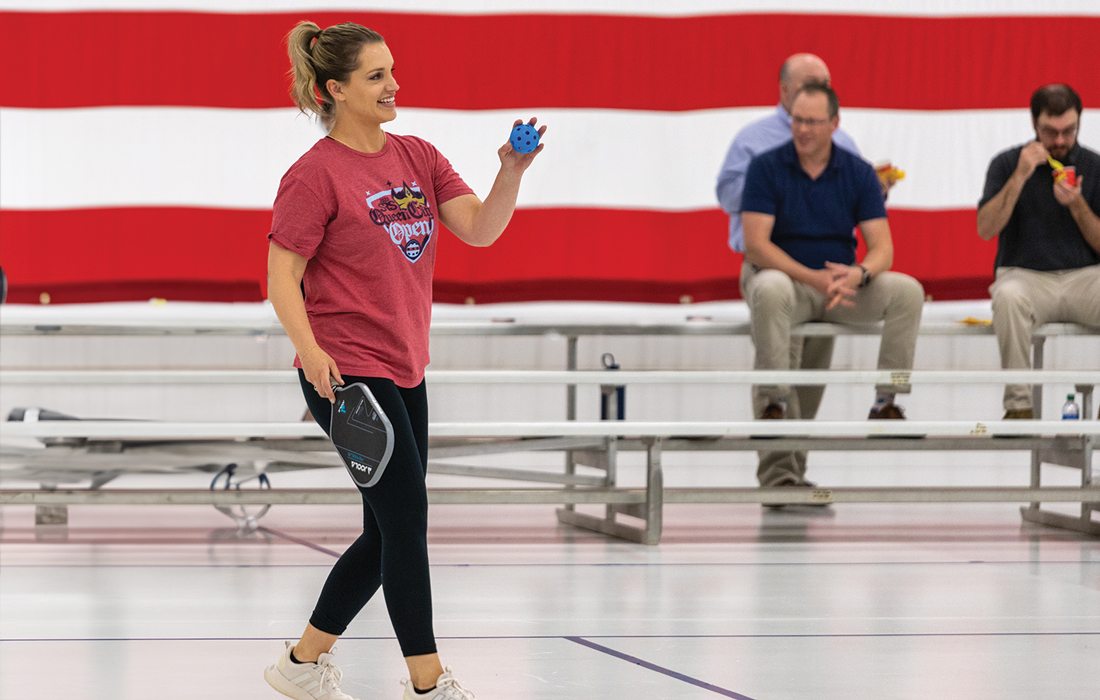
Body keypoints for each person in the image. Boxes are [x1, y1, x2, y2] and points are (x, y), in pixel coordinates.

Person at [263, 20, 545, 700]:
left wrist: (508, 172)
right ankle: (428, 680)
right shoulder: (314, 175)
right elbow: (282, 276)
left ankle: (299, 666)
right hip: (344, 373)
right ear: (335, 89)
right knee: (406, 520)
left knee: (386, 527)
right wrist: (312, 353)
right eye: (376, 76)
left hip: (405, 367)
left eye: (392, 71)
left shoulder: (417, 155)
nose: (395, 85)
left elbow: (479, 229)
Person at [740, 83, 924, 490]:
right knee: (770, 289)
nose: (803, 129)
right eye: (797, 120)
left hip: (838, 285)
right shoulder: (766, 167)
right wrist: (814, 278)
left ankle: (886, 401)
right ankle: (774, 405)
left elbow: (882, 249)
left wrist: (858, 274)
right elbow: (756, 244)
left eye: (812, 122)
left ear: (835, 124)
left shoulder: (857, 172)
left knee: (907, 291)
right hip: (788, 281)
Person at [717, 53, 871, 491]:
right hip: (778, 269)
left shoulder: (844, 146)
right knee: (780, 365)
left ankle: (794, 471)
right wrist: (784, 185)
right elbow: (732, 196)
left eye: (826, 81)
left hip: (829, 272)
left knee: (811, 375)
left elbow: (856, 200)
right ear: (785, 90)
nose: (820, 87)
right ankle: (777, 475)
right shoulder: (755, 143)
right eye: (811, 82)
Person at [977, 83, 1100, 419]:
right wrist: (1019, 177)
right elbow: (985, 229)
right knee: (1008, 297)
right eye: (1050, 131)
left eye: (1068, 131)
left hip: (1085, 279)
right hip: (1025, 276)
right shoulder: (1006, 163)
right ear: (1034, 125)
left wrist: (1077, 207)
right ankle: (1019, 408)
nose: (1059, 141)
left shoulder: (1094, 164)